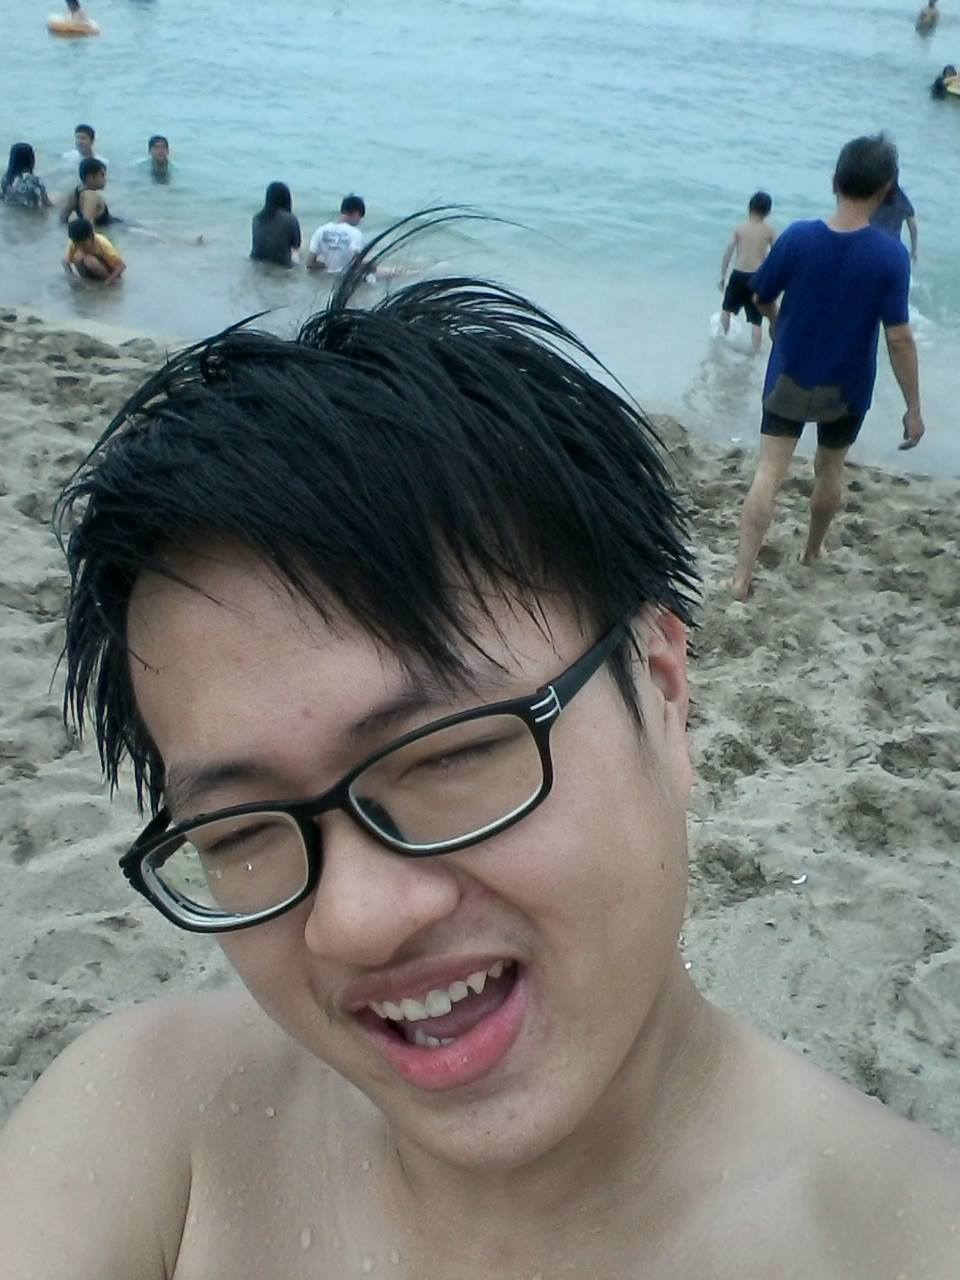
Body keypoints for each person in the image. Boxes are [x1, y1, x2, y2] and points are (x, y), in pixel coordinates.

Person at [2, 215, 958, 1278]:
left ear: (661, 690)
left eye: (448, 754)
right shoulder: (148, 1130)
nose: (356, 921)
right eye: (239, 828)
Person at [731, 135, 925, 601]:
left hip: (789, 374)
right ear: (887, 189)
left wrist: (777, 322)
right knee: (830, 467)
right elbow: (898, 338)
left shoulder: (798, 237)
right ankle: (813, 550)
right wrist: (913, 408)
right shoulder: (891, 256)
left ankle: (740, 577)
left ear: (834, 181)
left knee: (769, 471)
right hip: (846, 386)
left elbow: (760, 294)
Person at [717, 191, 776, 353]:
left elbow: (728, 252)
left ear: (749, 207)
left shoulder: (740, 228)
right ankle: (755, 352)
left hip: (738, 274)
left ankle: (722, 339)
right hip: (757, 277)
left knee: (726, 310)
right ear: (768, 212)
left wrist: (722, 276)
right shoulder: (769, 231)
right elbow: (777, 254)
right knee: (756, 321)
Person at [305, 192, 365, 272]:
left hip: (324, 277)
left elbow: (309, 263)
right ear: (356, 213)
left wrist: (327, 266)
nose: (360, 221)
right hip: (343, 277)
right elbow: (357, 263)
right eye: (360, 217)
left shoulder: (321, 230)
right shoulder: (356, 234)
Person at [250, 181, 302, 267]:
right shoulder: (290, 219)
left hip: (256, 262)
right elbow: (296, 244)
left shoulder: (257, 218)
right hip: (281, 265)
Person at [62, 215, 125, 284]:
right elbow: (65, 261)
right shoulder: (75, 242)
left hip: (108, 273)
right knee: (78, 256)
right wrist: (71, 277)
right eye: (77, 244)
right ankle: (87, 281)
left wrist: (108, 282)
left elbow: (121, 266)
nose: (80, 247)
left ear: (91, 236)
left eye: (83, 244)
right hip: (93, 271)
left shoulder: (102, 244)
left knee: (89, 260)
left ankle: (102, 282)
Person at [870, 181, 918, 261]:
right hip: (893, 248)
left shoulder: (872, 195)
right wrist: (914, 249)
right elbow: (912, 223)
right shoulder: (901, 197)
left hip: (872, 245)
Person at [62, 157, 114, 228]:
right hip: (112, 226)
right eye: (102, 175)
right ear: (90, 178)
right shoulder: (91, 197)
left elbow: (63, 219)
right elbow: (88, 226)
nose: (105, 179)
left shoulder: (75, 192)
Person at [0, 142, 52, 208]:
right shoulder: (34, 181)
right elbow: (46, 204)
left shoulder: (5, 178)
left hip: (14, 210)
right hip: (32, 212)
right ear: (31, 159)